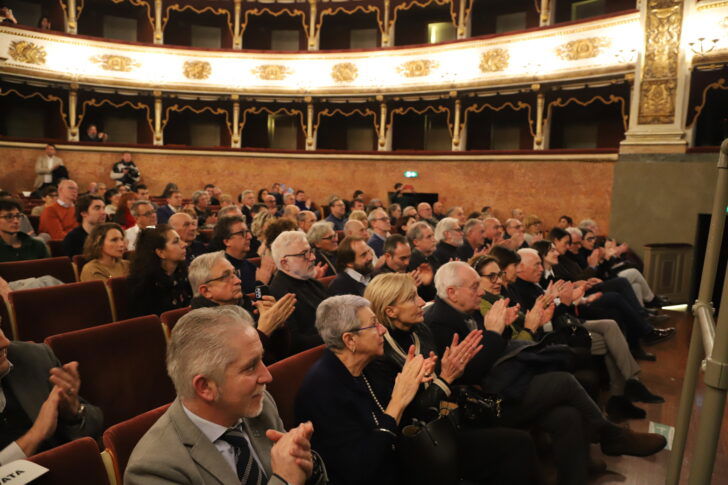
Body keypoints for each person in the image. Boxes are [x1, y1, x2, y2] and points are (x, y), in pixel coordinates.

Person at [425, 262, 668, 485]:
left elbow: (495, 352)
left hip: (503, 386)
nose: (480, 292)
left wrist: (504, 331)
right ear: (452, 292)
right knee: (564, 381)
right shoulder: (440, 322)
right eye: (474, 286)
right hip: (484, 404)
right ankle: (610, 434)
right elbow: (471, 372)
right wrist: (495, 333)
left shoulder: (467, 309)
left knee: (567, 416)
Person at [363, 273, 539, 485]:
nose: (421, 302)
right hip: (421, 440)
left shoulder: (419, 329)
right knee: (519, 443)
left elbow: (440, 381)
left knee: (556, 419)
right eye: (411, 298)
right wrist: (445, 378)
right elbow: (408, 415)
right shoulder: (379, 353)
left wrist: (453, 370)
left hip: (446, 421)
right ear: (390, 311)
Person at [125, 306, 326, 485]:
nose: (267, 376)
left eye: (261, 360)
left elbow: (296, 471)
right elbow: (286, 476)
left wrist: (306, 465)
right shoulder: (154, 469)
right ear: (205, 387)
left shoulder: (260, 404)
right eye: (250, 367)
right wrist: (285, 480)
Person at [295, 295, 431, 485]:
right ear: (350, 340)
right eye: (374, 325)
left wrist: (414, 382)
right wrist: (398, 400)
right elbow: (360, 469)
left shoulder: (368, 365)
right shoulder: (322, 390)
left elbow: (400, 423)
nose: (383, 330)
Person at [0, 328, 103, 465]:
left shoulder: (33, 357)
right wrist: (35, 435)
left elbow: (95, 430)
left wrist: (72, 414)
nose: (4, 342)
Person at [188, 252, 296, 364]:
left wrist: (279, 325)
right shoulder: (198, 325)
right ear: (206, 291)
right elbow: (230, 368)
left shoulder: (248, 304)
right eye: (226, 276)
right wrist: (263, 332)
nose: (238, 281)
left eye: (234, 273)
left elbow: (281, 354)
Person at [269, 231, 327, 356]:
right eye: (303, 254)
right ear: (285, 263)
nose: (312, 257)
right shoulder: (278, 294)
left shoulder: (312, 282)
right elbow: (295, 343)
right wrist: (337, 333)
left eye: (310, 251)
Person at [127, 225, 192, 317]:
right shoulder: (144, 285)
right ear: (161, 253)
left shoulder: (182, 274)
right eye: (176, 242)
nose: (184, 244)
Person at [210, 215, 274, 294]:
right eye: (242, 233)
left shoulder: (251, 267)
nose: (249, 237)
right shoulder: (220, 271)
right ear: (227, 241)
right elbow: (239, 303)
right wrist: (260, 284)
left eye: (248, 232)